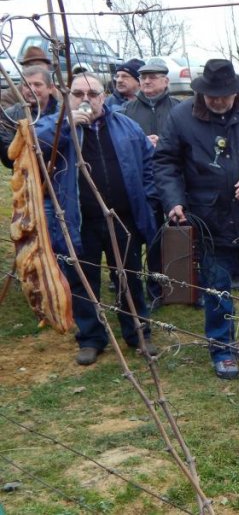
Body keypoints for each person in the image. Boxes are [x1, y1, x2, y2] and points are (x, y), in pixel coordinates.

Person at [153, 58, 239, 380]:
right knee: (217, 288)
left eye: (224, 95)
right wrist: (173, 200)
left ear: (235, 91)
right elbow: (165, 163)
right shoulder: (180, 117)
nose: (217, 101)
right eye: (211, 95)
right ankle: (222, 348)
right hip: (208, 218)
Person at [36, 73, 158, 366]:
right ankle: (91, 338)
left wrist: (149, 201)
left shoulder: (126, 126)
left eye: (92, 93)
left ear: (104, 96)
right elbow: (33, 146)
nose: (86, 99)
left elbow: (148, 165)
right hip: (79, 221)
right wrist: (65, 126)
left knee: (128, 277)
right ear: (67, 97)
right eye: (78, 94)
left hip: (122, 219)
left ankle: (138, 333)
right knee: (82, 280)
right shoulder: (55, 126)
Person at [122, 59, 182, 308]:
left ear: (165, 81)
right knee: (151, 239)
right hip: (141, 185)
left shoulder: (179, 109)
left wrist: (164, 143)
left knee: (179, 235)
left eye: (153, 77)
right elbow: (121, 146)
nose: (147, 81)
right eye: (144, 77)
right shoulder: (127, 111)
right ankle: (155, 289)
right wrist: (142, 141)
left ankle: (181, 287)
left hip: (174, 183)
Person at [0, 65, 61, 168]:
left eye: (37, 85)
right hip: (26, 180)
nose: (31, 89)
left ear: (50, 88)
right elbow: (8, 158)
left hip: (59, 177)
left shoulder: (61, 114)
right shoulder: (10, 116)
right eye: (27, 85)